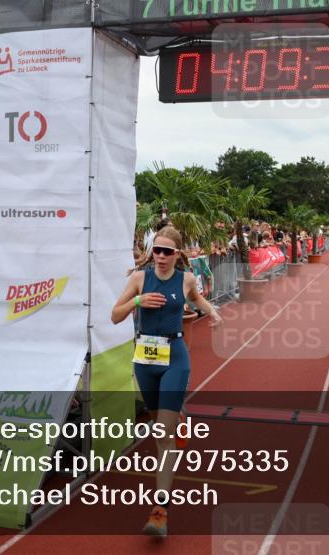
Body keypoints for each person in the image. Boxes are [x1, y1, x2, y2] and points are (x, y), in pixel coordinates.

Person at [110, 227, 222, 538]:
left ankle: (160, 511)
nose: (160, 256)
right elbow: (115, 316)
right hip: (145, 359)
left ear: (177, 254)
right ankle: (177, 416)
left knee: (161, 435)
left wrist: (212, 312)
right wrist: (137, 301)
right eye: (157, 250)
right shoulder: (139, 278)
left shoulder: (186, 279)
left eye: (167, 252)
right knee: (159, 419)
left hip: (175, 356)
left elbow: (196, 298)